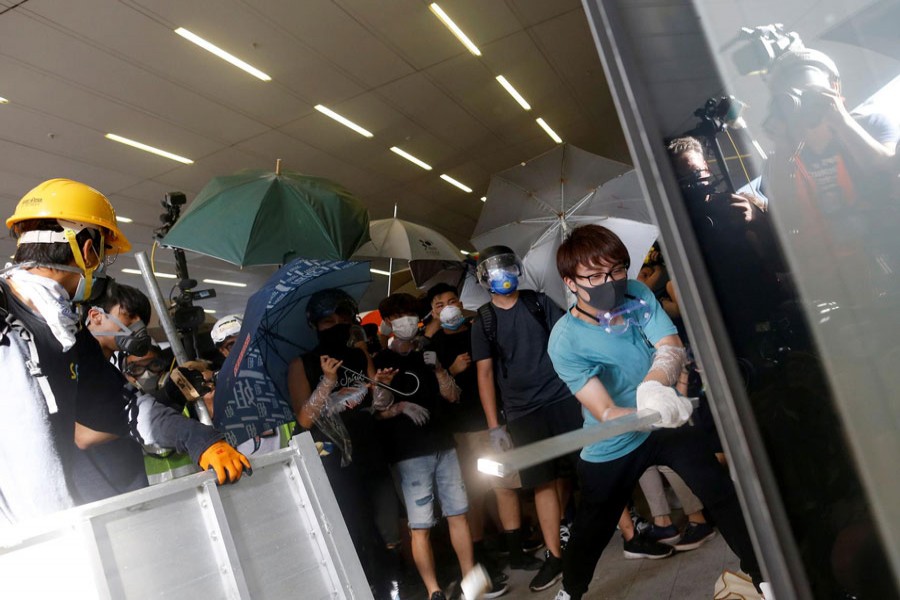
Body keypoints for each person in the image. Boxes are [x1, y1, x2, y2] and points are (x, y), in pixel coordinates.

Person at [0, 179, 246, 525]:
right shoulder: (8, 322)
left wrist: (197, 437)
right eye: (102, 255)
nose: (99, 267)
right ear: (87, 250)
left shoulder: (70, 336)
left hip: (70, 535)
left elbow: (122, 409)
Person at [546, 224, 763, 600]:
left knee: (721, 493)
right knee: (592, 527)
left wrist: (657, 390)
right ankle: (571, 590)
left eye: (615, 270)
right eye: (593, 275)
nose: (608, 282)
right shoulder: (566, 341)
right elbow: (605, 409)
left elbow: (669, 346)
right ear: (570, 281)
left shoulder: (637, 292)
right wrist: (646, 409)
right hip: (615, 438)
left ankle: (764, 576)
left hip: (663, 417)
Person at [287, 289, 400, 600]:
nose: (337, 325)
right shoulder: (302, 364)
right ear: (315, 325)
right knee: (354, 530)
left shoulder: (360, 356)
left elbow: (378, 405)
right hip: (335, 463)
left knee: (388, 527)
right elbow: (305, 419)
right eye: (328, 321)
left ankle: (393, 589)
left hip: (371, 452)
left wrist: (382, 386)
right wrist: (326, 381)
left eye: (344, 318)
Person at [375, 292, 481, 600]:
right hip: (409, 453)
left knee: (458, 513)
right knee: (419, 526)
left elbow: (453, 396)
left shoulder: (429, 350)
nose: (406, 321)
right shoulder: (382, 361)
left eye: (410, 314)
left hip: (443, 443)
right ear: (387, 323)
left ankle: (469, 580)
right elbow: (376, 412)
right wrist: (394, 403)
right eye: (398, 316)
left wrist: (438, 370)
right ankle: (434, 590)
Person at [426, 282, 516, 596]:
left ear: (462, 303)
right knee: (473, 495)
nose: (449, 308)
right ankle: (481, 554)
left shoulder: (479, 329)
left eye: (453, 301)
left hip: (491, 423)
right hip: (460, 432)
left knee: (504, 485)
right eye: (440, 305)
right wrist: (450, 369)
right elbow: (432, 394)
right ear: (433, 312)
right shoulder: (432, 345)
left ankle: (515, 548)